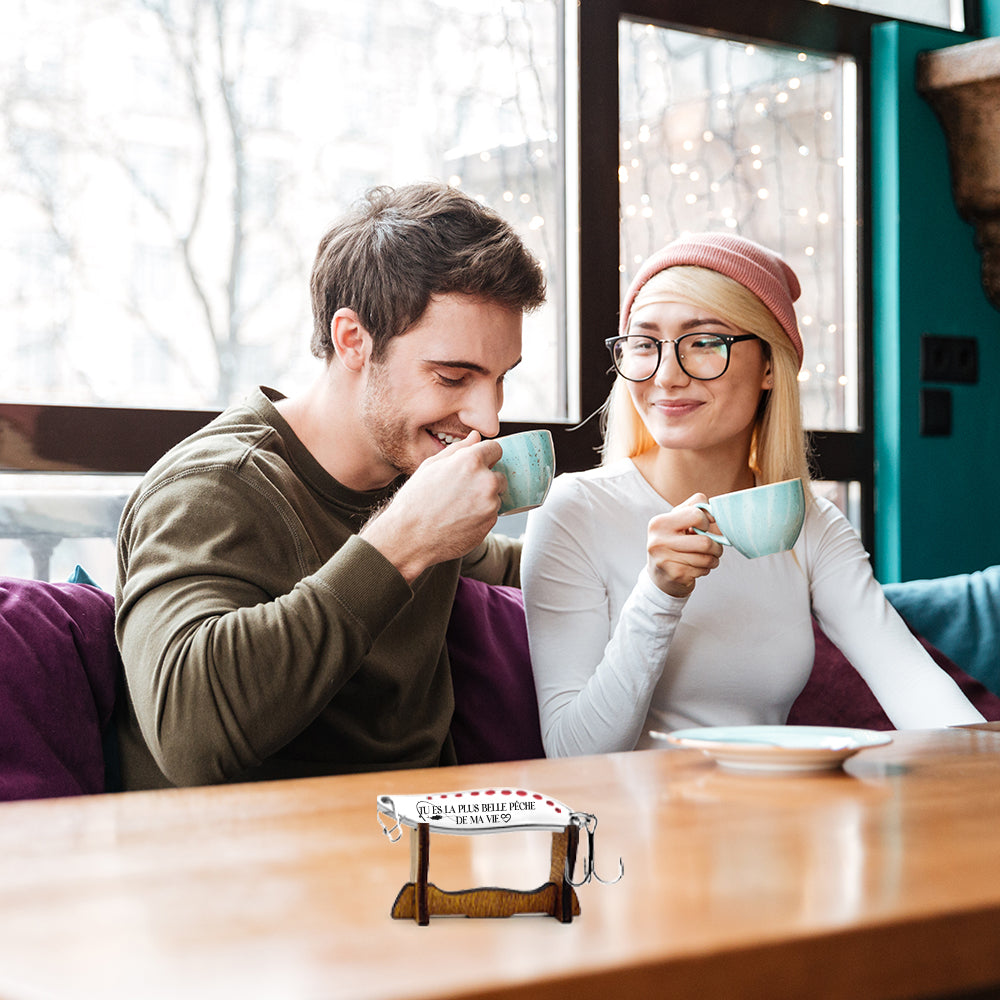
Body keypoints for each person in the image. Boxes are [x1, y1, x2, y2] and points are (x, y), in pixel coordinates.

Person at [115, 181, 546, 789]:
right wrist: (402, 542)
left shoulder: (409, 470)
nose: (487, 419)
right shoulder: (212, 489)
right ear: (353, 340)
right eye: (453, 377)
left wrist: (638, 559)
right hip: (257, 862)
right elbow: (190, 735)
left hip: (426, 845)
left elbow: (502, 565)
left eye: (501, 380)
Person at [521, 232, 984, 757]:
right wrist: (660, 592)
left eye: (704, 342)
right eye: (646, 345)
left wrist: (981, 761)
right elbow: (575, 756)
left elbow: (913, 685)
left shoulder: (809, 523)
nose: (666, 377)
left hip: (778, 826)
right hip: (633, 832)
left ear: (769, 366)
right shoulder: (576, 510)